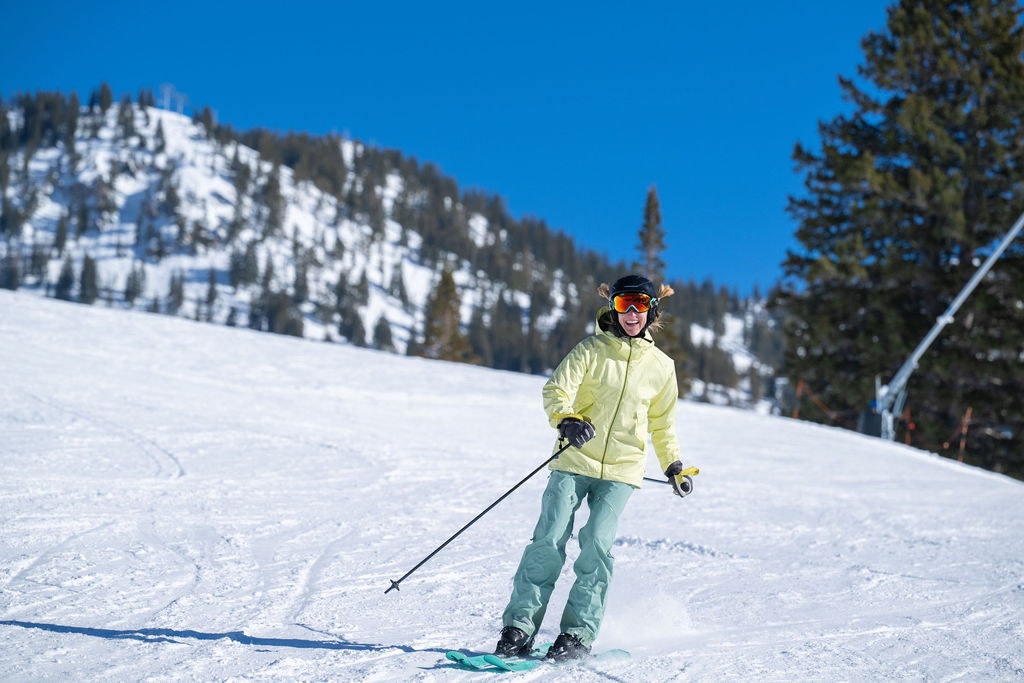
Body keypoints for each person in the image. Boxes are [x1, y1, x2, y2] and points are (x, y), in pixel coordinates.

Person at [494, 274, 688, 661]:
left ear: (652, 311)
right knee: (549, 538)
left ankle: (577, 634)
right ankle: (519, 626)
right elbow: (556, 390)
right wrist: (566, 420)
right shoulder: (589, 350)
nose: (630, 313)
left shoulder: (662, 367)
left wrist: (673, 466)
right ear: (612, 308)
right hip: (574, 458)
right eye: (622, 304)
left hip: (621, 471)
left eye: (639, 304)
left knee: (597, 544)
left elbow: (662, 424)